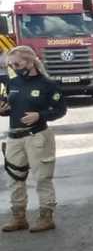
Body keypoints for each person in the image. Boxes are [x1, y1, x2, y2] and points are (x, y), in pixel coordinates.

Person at [1, 45, 67, 233]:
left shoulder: (47, 85)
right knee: (14, 178)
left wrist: (40, 115)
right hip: (15, 137)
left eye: (17, 63)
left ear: (30, 61)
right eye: (11, 64)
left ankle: (46, 217)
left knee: (42, 178)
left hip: (37, 136)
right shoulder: (12, 84)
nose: (14, 67)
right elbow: (11, 106)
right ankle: (18, 217)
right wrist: (3, 110)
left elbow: (60, 110)